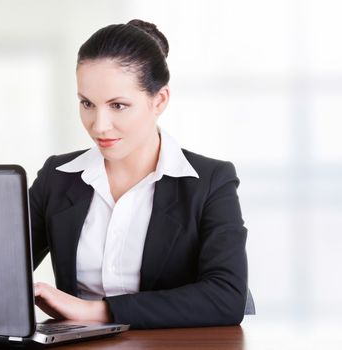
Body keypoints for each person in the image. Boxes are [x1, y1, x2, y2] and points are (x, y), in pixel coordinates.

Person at [30, 19, 254, 329]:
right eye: (87, 104)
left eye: (118, 105)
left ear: (159, 100)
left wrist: (96, 311)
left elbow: (226, 297)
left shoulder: (211, 181)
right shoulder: (57, 177)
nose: (99, 125)